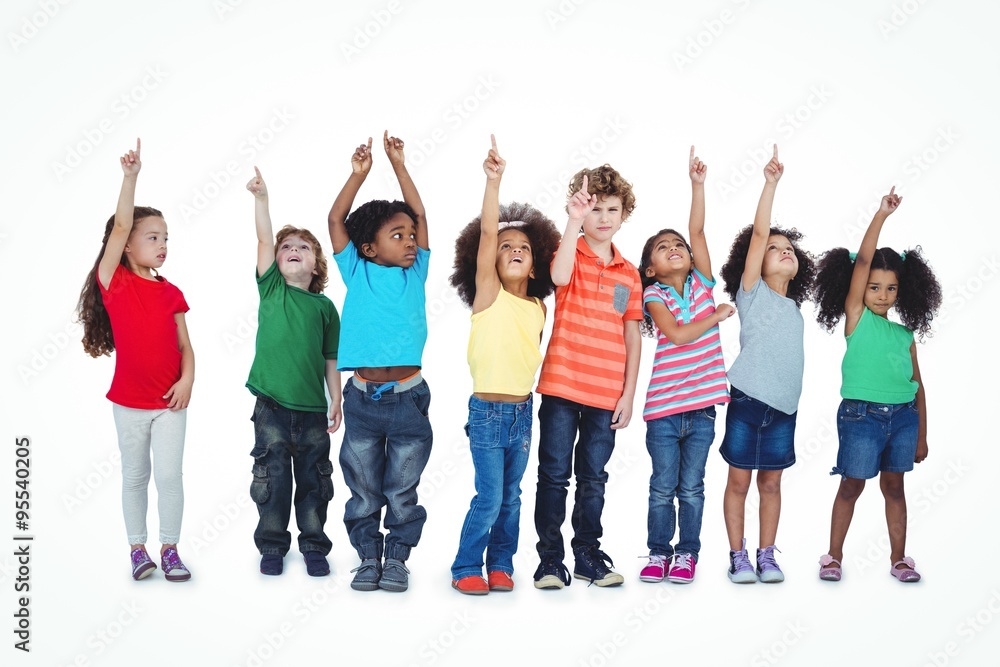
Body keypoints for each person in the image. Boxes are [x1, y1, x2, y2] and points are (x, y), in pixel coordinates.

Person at [77, 139, 194, 582]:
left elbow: (187, 347)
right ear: (126, 246)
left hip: (169, 404)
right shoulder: (114, 282)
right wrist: (130, 178)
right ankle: (136, 550)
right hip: (128, 403)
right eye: (153, 237)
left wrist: (188, 382)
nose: (162, 244)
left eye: (166, 238)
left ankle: (170, 549)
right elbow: (122, 223)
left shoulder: (172, 291)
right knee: (134, 477)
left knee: (169, 477)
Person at [448, 136, 560, 595]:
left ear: (535, 266)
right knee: (489, 496)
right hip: (488, 414)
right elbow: (490, 233)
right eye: (506, 246)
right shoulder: (487, 296)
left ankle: (501, 564)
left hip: (522, 413)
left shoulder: (538, 308)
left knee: (511, 498)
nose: (514, 250)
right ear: (489, 262)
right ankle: (465, 566)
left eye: (524, 248)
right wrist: (494, 182)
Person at [812, 186, 940, 582]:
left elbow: (918, 387)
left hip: (903, 419)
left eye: (891, 289)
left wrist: (921, 435)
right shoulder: (856, 318)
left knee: (895, 489)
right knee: (851, 486)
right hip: (860, 418)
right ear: (860, 288)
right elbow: (865, 259)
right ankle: (833, 556)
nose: (882, 295)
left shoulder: (904, 335)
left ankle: (899, 559)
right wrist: (881, 215)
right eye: (874, 287)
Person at [327, 132, 432, 592]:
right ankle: (367, 556)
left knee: (402, 491)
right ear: (368, 247)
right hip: (363, 401)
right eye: (398, 235)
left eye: (411, 235)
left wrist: (399, 165)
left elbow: (422, 214)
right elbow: (335, 218)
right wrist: (358, 175)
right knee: (364, 486)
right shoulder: (357, 270)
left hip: (409, 400)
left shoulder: (417, 273)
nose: (410, 241)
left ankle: (398, 560)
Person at [533, 164, 643, 589]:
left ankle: (586, 554)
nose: (603, 217)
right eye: (595, 209)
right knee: (554, 474)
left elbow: (633, 336)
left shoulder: (629, 273)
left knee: (593, 478)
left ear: (623, 215)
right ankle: (549, 560)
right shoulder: (569, 253)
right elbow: (558, 278)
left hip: (606, 393)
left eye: (612, 209)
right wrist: (572, 220)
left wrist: (628, 395)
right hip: (562, 385)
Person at [635, 147, 734, 585]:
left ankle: (686, 555)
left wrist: (697, 185)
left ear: (692, 259)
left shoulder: (702, 283)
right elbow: (676, 334)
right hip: (663, 410)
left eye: (679, 246)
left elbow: (697, 227)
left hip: (702, 410)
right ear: (651, 269)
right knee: (662, 487)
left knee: (692, 487)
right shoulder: (654, 297)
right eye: (663, 247)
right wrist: (714, 317)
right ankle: (658, 553)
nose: (674, 248)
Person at [717, 145, 815, 584]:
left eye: (790, 248)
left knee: (771, 485)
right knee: (739, 481)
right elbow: (759, 235)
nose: (784, 250)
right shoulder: (752, 293)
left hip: (784, 410)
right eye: (776, 247)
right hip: (748, 401)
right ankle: (737, 556)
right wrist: (770, 184)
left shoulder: (795, 309)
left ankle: (766, 555)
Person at [245, 167, 342, 577]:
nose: (293, 250)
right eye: (288, 247)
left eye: (303, 246)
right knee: (273, 478)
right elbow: (264, 238)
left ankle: (314, 545)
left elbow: (330, 358)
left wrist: (335, 398)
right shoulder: (272, 289)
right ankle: (271, 545)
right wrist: (262, 200)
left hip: (312, 412)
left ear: (317, 263)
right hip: (271, 404)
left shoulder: (324, 308)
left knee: (315, 480)